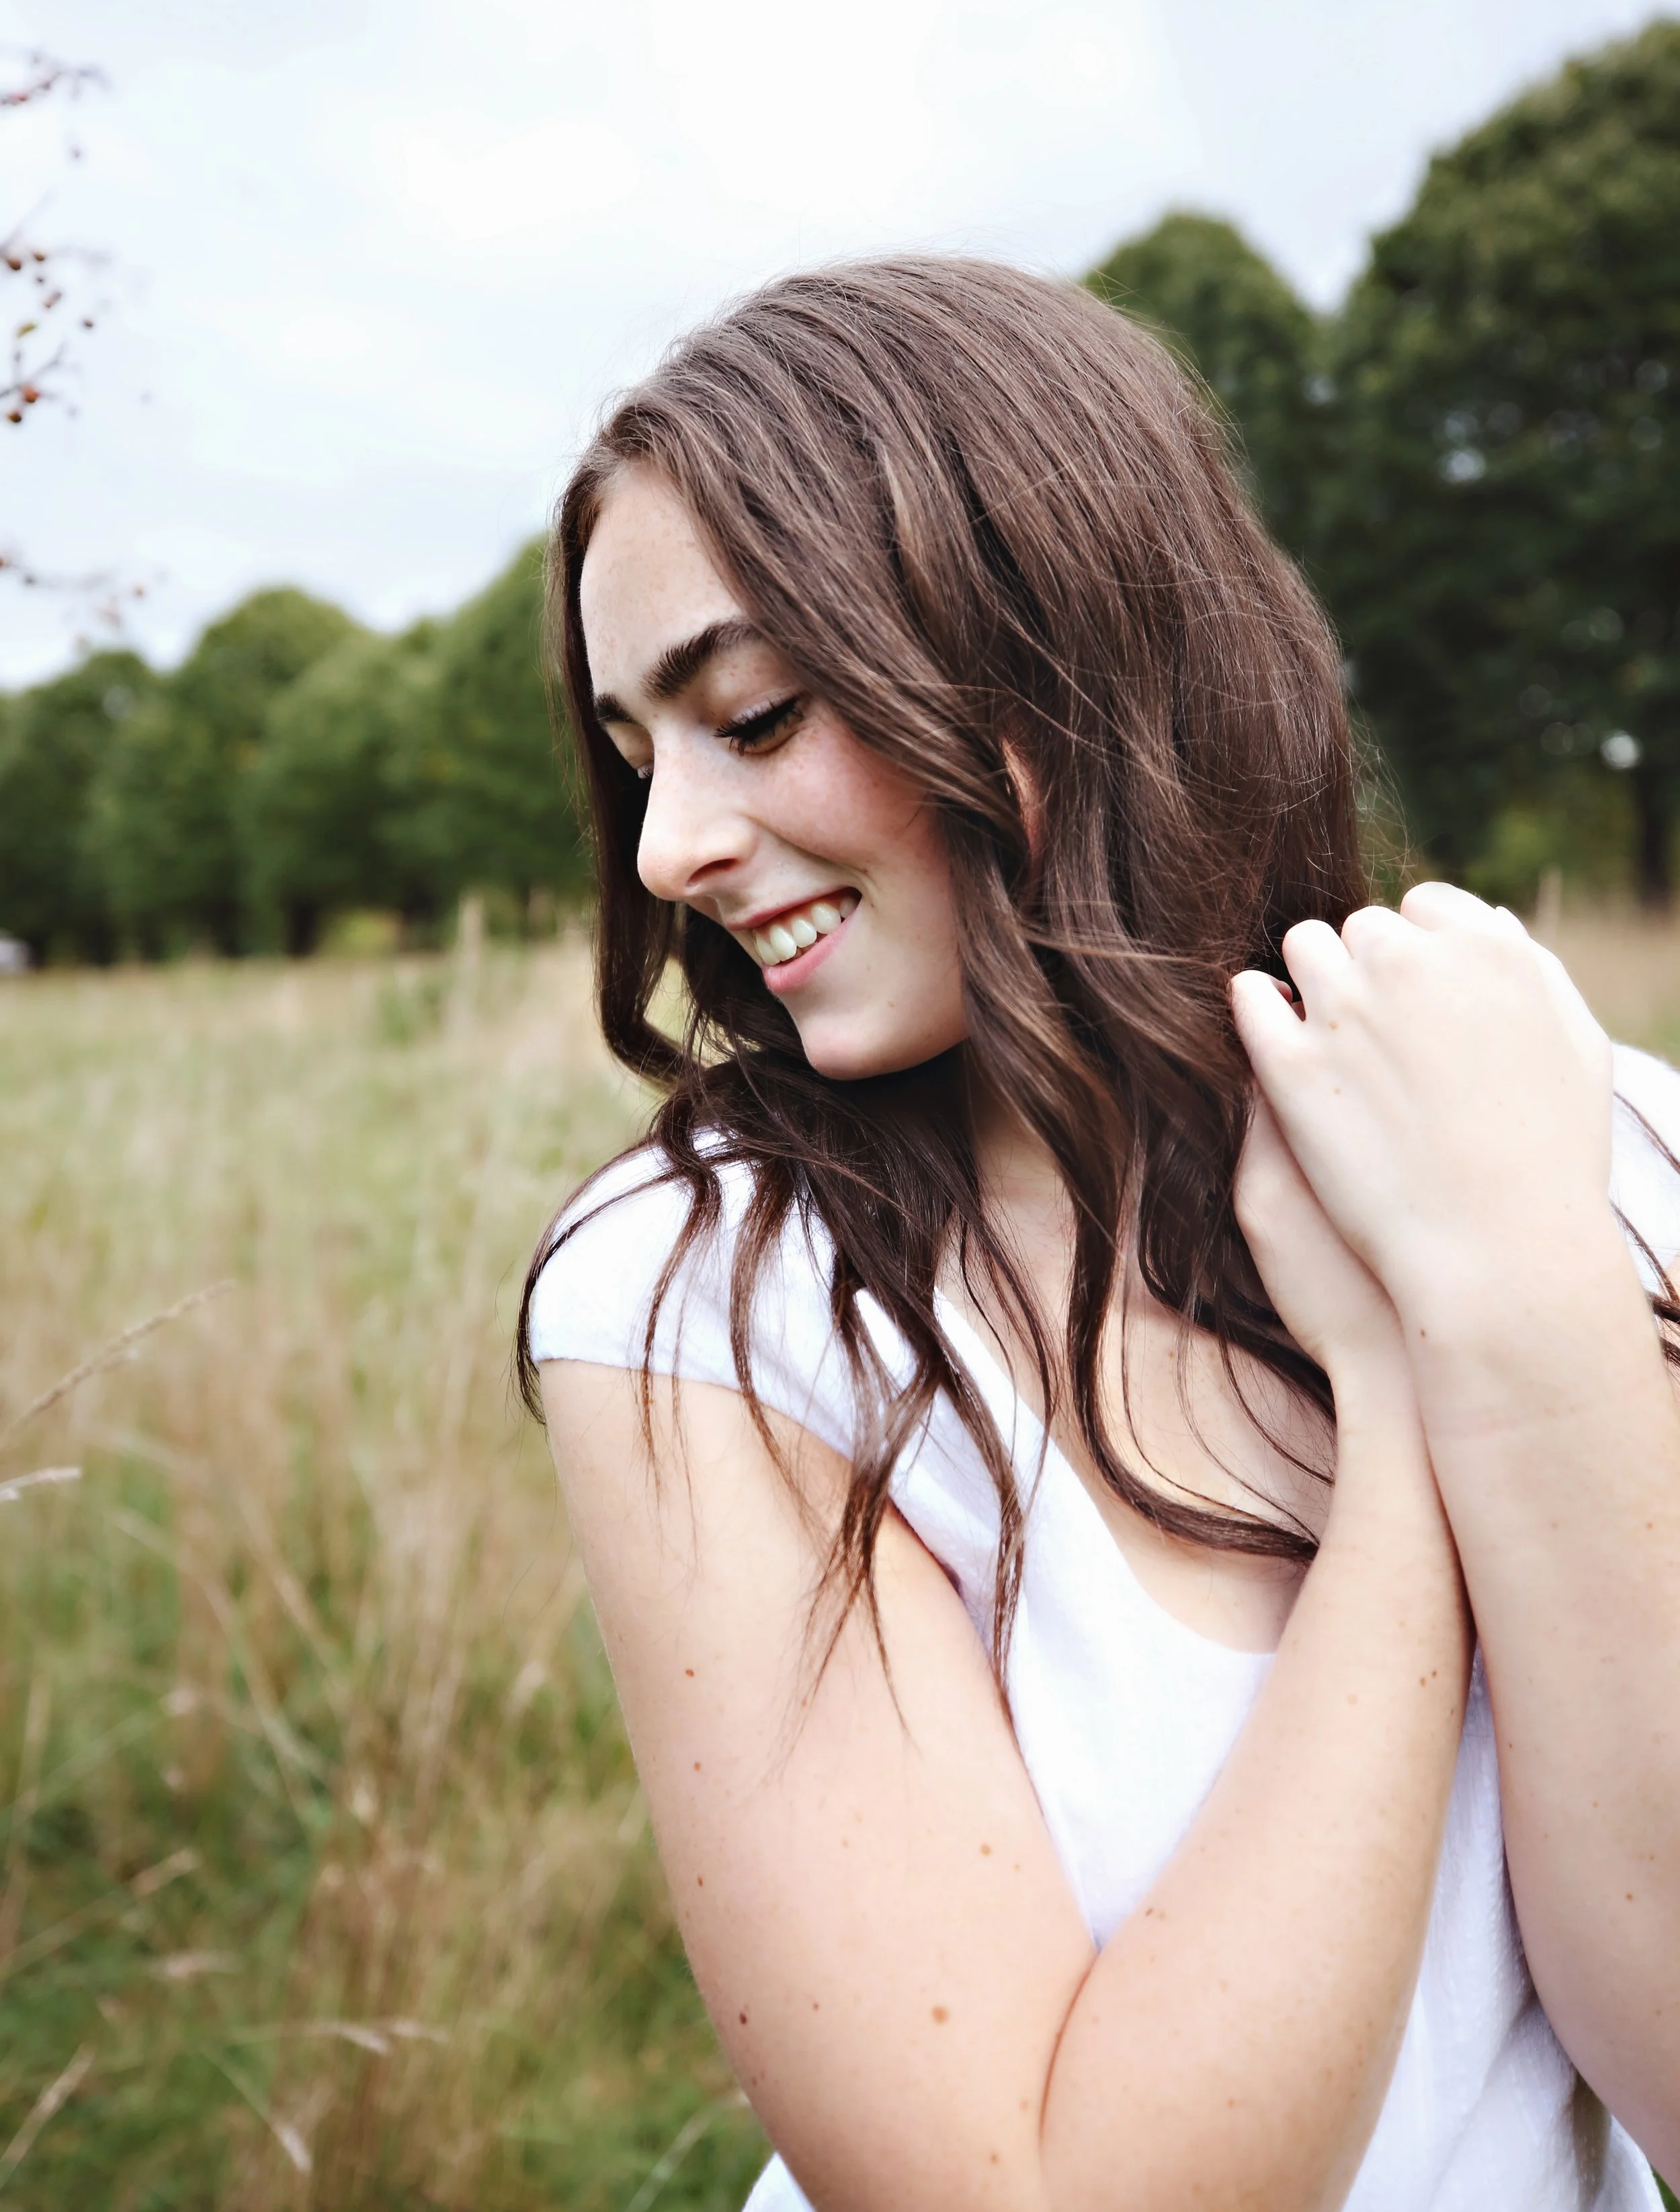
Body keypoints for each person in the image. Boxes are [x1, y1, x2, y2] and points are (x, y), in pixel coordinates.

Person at [517, 256, 1680, 2212]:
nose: (665, 850)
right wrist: (1402, 1416)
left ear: (1053, 650)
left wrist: (1524, 1290)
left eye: (756, 712)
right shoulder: (709, 1301)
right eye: (643, 755)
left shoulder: (1591, 1132)